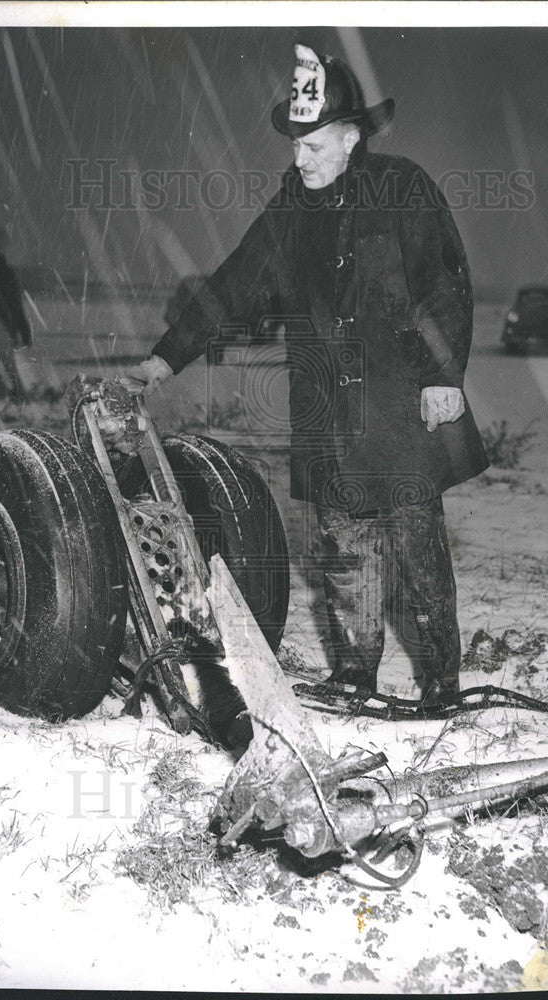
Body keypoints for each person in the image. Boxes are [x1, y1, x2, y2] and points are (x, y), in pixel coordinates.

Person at [124, 43, 488, 705]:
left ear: (351, 137)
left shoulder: (403, 189)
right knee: (343, 553)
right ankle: (354, 675)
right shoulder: (293, 209)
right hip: (327, 413)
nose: (299, 159)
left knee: (415, 553)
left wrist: (443, 375)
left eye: (312, 145)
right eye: (295, 145)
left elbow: (445, 283)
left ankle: (440, 682)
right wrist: (165, 357)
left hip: (398, 405)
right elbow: (233, 284)